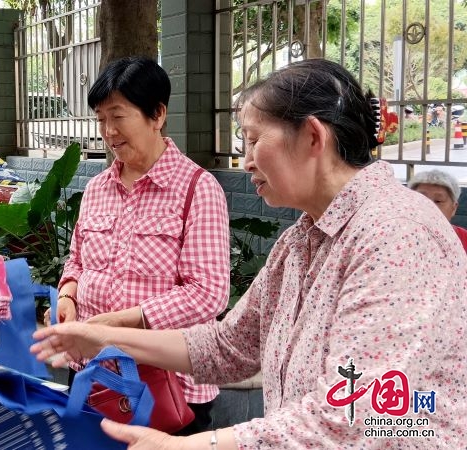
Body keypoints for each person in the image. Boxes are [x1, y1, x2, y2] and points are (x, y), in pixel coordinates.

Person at [32, 59, 467, 448]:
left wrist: (194, 446)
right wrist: (102, 337)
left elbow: (357, 416)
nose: (244, 162)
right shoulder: (302, 240)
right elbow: (228, 345)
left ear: (313, 136)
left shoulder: (396, 235)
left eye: (253, 140)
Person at [47, 56, 230, 434]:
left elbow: (208, 294)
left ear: (157, 114)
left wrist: (119, 324)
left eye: (118, 116)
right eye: (101, 120)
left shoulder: (197, 189)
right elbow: (77, 259)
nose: (109, 131)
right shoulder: (97, 189)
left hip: (169, 386)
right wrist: (68, 295)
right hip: (94, 373)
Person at [408, 169, 467, 252]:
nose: (429, 206)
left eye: (438, 201)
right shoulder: (396, 236)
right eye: (421, 199)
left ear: (454, 208)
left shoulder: (464, 239)